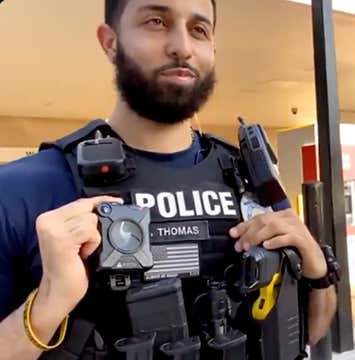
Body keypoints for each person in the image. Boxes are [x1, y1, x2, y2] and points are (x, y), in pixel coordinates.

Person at [0, 0, 337, 359]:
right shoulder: (24, 189)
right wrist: (48, 304)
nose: (182, 47)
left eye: (199, 30)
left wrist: (316, 270)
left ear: (213, 48)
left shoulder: (249, 179)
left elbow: (309, 333)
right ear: (110, 42)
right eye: (156, 21)